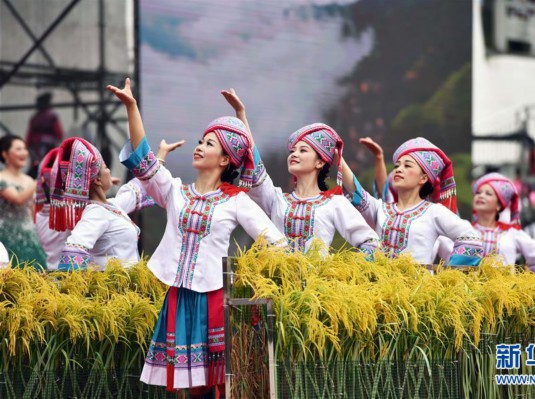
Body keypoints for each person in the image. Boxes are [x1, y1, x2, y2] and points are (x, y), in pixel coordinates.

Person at [108, 79, 287, 397]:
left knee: (216, 384)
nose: (199, 146)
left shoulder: (235, 200)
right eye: (201, 140)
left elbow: (275, 243)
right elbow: (145, 161)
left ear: (224, 160)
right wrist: (131, 107)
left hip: (215, 299)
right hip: (179, 298)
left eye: (209, 144)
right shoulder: (176, 191)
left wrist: (256, 282)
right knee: (180, 384)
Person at [222, 89, 379, 254]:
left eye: (303, 150)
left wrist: (343, 273)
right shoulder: (278, 200)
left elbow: (370, 242)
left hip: (318, 279)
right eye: (292, 152)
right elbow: (255, 165)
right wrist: (241, 114)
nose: (294, 154)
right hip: (276, 279)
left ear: (319, 162)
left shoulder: (334, 203)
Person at [341, 137, 483, 266]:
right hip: (378, 291)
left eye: (407, 166)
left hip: (418, 292)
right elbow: (355, 190)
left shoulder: (434, 212)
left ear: (423, 178)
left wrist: (452, 272)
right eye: (397, 166)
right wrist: (337, 156)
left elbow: (471, 239)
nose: (399, 170)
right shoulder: (380, 209)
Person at [50, 137, 152, 271]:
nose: (109, 171)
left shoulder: (111, 206)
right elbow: (74, 247)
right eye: (105, 167)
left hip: (127, 285)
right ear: (97, 180)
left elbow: (137, 190)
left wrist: (160, 157)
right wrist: (74, 286)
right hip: (114, 288)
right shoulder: (96, 212)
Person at [441, 173, 535, 276]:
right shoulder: (464, 229)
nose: (481, 196)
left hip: (505, 295)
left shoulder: (511, 234)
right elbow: (447, 250)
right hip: (470, 295)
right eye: (478, 193)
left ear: (499, 205)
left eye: (488, 193)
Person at [0, 135, 47, 270]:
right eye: (18, 149)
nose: (24, 153)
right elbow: (18, 199)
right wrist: (38, 180)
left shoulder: (28, 180)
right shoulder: (1, 178)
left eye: (25, 149)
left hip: (29, 238)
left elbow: (32, 209)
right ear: (5, 154)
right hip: (7, 237)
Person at [25, 92, 64, 177]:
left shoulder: (51, 117)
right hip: (36, 148)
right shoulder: (35, 118)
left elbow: (59, 134)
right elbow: (29, 135)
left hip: (47, 148)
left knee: (48, 167)